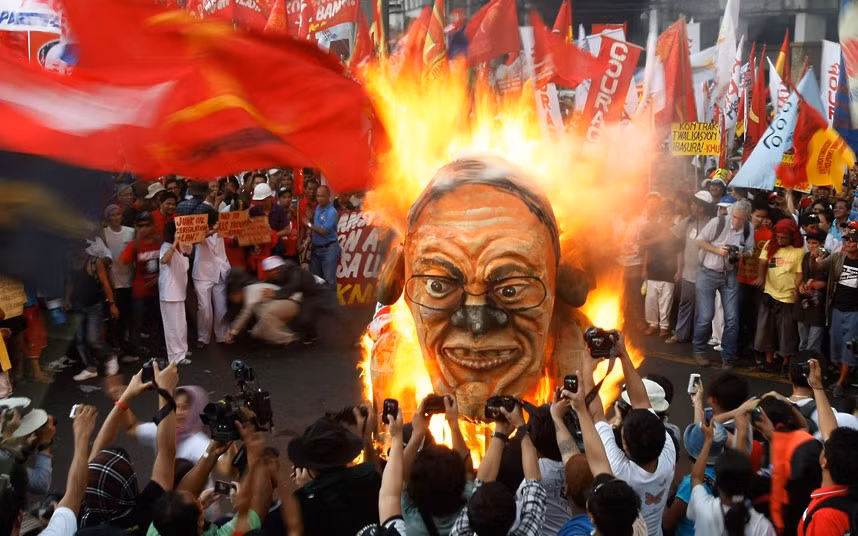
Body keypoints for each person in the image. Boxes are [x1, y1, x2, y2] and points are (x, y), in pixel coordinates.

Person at [79, 362, 179, 535]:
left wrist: (125, 397)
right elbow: (167, 452)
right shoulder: (147, 509)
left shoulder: (81, 517)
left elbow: (98, 449)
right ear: (130, 482)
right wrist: (165, 391)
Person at [450, 402, 546, 536]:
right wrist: (521, 426)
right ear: (514, 516)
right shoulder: (527, 532)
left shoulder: (459, 532)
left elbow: (480, 483)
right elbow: (533, 483)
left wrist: (500, 431)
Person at [289, 412, 382, 535]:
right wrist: (366, 438)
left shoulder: (302, 503)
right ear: (346, 458)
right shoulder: (369, 482)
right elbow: (372, 474)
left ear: (310, 466)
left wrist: (306, 491)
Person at [693, 198, 755, 368]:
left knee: (732, 318)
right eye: (735, 217)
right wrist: (717, 250)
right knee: (706, 316)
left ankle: (728, 356)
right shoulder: (717, 222)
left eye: (741, 219)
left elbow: (751, 250)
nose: (737, 221)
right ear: (730, 213)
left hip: (730, 274)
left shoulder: (749, 229)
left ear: (747, 218)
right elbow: (699, 240)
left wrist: (742, 254)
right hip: (708, 272)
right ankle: (699, 351)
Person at [687, 423, 776, 536]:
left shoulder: (704, 509)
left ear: (717, 481)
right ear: (749, 482)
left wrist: (708, 441)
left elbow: (696, 479)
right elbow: (772, 472)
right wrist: (772, 439)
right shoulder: (762, 527)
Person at [401, 395, 472, 536]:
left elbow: (401, 477)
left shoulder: (411, 521)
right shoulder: (471, 512)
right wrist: (454, 425)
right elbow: (468, 471)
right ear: (461, 485)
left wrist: (418, 433)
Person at [811, 225, 858, 397]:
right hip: (837, 309)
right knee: (836, 345)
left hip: (855, 313)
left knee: (849, 347)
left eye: (854, 240)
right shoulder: (838, 257)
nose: (850, 243)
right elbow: (818, 267)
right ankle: (844, 376)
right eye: (848, 240)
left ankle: (840, 382)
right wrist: (814, 258)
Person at [753, 218, 804, 371]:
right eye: (778, 237)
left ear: (791, 237)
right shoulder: (770, 244)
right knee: (766, 330)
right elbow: (763, 262)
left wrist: (795, 290)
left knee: (787, 333)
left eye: (784, 238)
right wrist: (761, 278)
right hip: (769, 293)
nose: (780, 240)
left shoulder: (799, 250)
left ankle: (785, 363)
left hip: (787, 297)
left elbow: (800, 273)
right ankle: (769, 361)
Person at [662, 421, 728, 536]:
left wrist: (659, 491)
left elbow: (667, 523)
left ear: (689, 450)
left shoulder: (689, 485)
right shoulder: (723, 471)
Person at [66, 239, 119, 381]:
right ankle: (90, 367)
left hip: (94, 305)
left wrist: (112, 303)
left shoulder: (94, 262)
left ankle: (110, 356)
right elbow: (70, 283)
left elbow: (105, 283)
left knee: (93, 339)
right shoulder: (71, 263)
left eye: (78, 247)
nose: (76, 251)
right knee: (80, 340)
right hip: (78, 305)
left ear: (84, 248)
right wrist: (67, 300)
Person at [668, 191, 716, 344]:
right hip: (688, 274)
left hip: (705, 274)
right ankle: (681, 334)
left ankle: (698, 338)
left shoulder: (712, 224)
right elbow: (670, 235)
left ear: (701, 207)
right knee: (685, 304)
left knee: (701, 309)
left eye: (694, 204)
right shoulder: (688, 221)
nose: (691, 206)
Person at [120, 212, 164, 357]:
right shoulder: (135, 244)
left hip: (158, 290)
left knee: (157, 321)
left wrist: (159, 277)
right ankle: (135, 350)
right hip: (140, 291)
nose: (144, 229)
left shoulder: (159, 241)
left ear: (153, 226)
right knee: (137, 322)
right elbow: (121, 263)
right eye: (140, 226)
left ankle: (157, 349)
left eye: (147, 225)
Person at [737, 204, 772, 361]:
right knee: (738, 315)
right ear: (751, 215)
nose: (761, 219)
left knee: (756, 317)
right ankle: (739, 347)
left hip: (757, 283)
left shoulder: (769, 235)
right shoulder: (741, 231)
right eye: (758, 216)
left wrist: (762, 277)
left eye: (763, 217)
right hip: (740, 279)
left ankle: (753, 347)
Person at [225, 272, 299, 346]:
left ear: (238, 293)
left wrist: (232, 332)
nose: (232, 299)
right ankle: (283, 339)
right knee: (256, 332)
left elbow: (244, 315)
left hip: (291, 303)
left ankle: (290, 339)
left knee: (265, 312)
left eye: (233, 296)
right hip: (279, 308)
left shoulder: (250, 294)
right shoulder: (247, 294)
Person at [103, 204, 136, 361]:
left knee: (127, 316)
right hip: (111, 281)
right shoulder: (104, 234)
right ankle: (117, 348)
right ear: (108, 218)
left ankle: (126, 348)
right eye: (112, 215)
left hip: (129, 280)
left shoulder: (130, 232)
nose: (115, 217)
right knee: (114, 319)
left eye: (118, 214)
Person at [642, 210, 682, 337]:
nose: (665, 218)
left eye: (668, 215)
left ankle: (664, 327)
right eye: (663, 215)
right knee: (651, 300)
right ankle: (652, 324)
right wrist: (644, 268)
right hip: (653, 271)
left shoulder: (676, 234)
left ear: (672, 217)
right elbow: (647, 251)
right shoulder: (654, 232)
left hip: (668, 273)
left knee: (666, 301)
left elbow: (679, 253)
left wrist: (679, 270)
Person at [193, 215, 230, 349]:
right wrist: (213, 230)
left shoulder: (221, 226)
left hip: (221, 271)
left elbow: (235, 234)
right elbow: (197, 239)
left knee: (221, 308)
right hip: (203, 273)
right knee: (204, 309)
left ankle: (222, 335)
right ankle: (203, 337)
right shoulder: (198, 229)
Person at [159, 221, 191, 365]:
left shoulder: (181, 247)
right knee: (172, 327)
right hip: (169, 293)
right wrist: (174, 243)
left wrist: (180, 242)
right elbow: (164, 260)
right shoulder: (166, 247)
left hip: (179, 292)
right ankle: (175, 357)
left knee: (181, 325)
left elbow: (190, 249)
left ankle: (182, 351)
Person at [796, 231, 829, 353]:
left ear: (822, 244)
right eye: (808, 243)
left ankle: (812, 369)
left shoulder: (829, 258)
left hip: (819, 307)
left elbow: (828, 281)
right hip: (804, 304)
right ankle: (802, 369)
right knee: (803, 342)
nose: (811, 246)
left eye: (814, 243)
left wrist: (817, 284)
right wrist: (800, 286)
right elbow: (803, 276)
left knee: (813, 345)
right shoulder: (806, 256)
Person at [305, 185, 340, 289]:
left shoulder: (332, 212)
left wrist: (309, 224)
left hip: (328, 249)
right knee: (316, 279)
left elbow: (323, 231)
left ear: (329, 196)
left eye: (322, 196)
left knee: (329, 281)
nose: (319, 199)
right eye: (318, 196)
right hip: (317, 249)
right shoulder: (318, 208)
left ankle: (331, 304)